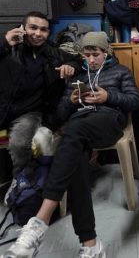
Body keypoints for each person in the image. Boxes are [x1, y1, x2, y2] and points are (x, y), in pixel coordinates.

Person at [1, 31, 139, 258]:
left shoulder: (120, 72)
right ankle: (91, 244)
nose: (91, 60)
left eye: (95, 54)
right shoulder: (78, 77)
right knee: (75, 150)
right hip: (80, 128)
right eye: (87, 55)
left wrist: (109, 97)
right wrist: (70, 101)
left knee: (73, 134)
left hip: (109, 122)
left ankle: (39, 222)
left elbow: (135, 101)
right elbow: (58, 117)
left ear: (106, 53)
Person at [0, 11, 81, 198]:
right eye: (33, 28)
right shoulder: (9, 47)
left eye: (43, 30)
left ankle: (19, 180)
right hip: (3, 105)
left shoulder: (52, 52)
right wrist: (5, 44)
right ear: (23, 29)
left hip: (28, 112)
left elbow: (77, 61)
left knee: (20, 143)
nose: (38, 33)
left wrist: (72, 67)